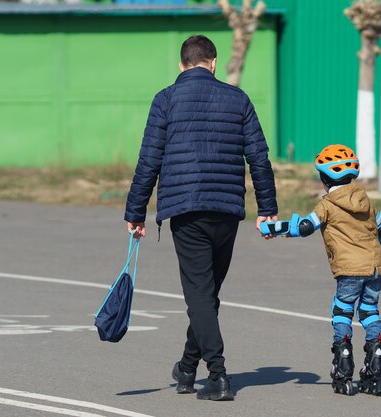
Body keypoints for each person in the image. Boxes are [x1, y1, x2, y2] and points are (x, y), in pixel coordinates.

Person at [124, 35, 278, 401]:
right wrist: (268, 210)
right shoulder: (237, 98)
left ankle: (219, 375)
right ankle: (187, 367)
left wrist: (136, 212)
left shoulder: (165, 99)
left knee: (200, 297)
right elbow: (259, 157)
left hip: (185, 210)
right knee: (206, 296)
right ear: (213, 62)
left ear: (182, 65)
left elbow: (150, 160)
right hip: (226, 213)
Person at [260, 144, 381, 396]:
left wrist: (273, 230)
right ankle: (376, 360)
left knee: (341, 311)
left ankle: (343, 363)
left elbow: (306, 227)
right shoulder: (365, 200)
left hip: (349, 269)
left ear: (324, 178)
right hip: (374, 268)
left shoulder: (327, 205)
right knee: (369, 311)